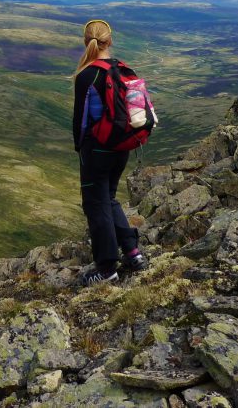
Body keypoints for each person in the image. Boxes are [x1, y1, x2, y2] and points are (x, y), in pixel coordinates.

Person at [72, 19, 148, 286]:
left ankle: (106, 268)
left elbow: (81, 121)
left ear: (86, 41)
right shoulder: (123, 69)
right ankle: (133, 253)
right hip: (123, 145)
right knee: (110, 197)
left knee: (95, 203)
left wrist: (80, 148)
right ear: (110, 41)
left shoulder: (87, 75)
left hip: (97, 148)